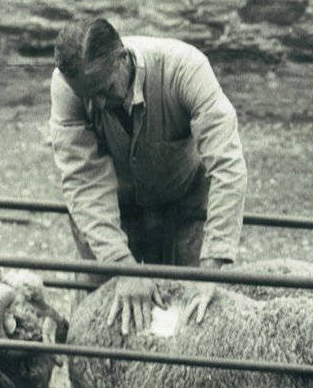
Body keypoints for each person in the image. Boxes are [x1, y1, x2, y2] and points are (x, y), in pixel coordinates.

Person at [49, 17, 247, 334]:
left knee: (189, 312)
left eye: (104, 90)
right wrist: (120, 265)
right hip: (111, 209)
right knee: (100, 319)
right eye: (88, 96)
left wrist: (211, 269)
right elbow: (83, 180)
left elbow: (227, 165)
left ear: (123, 59)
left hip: (182, 200)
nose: (97, 103)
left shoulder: (186, 69)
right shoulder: (67, 88)